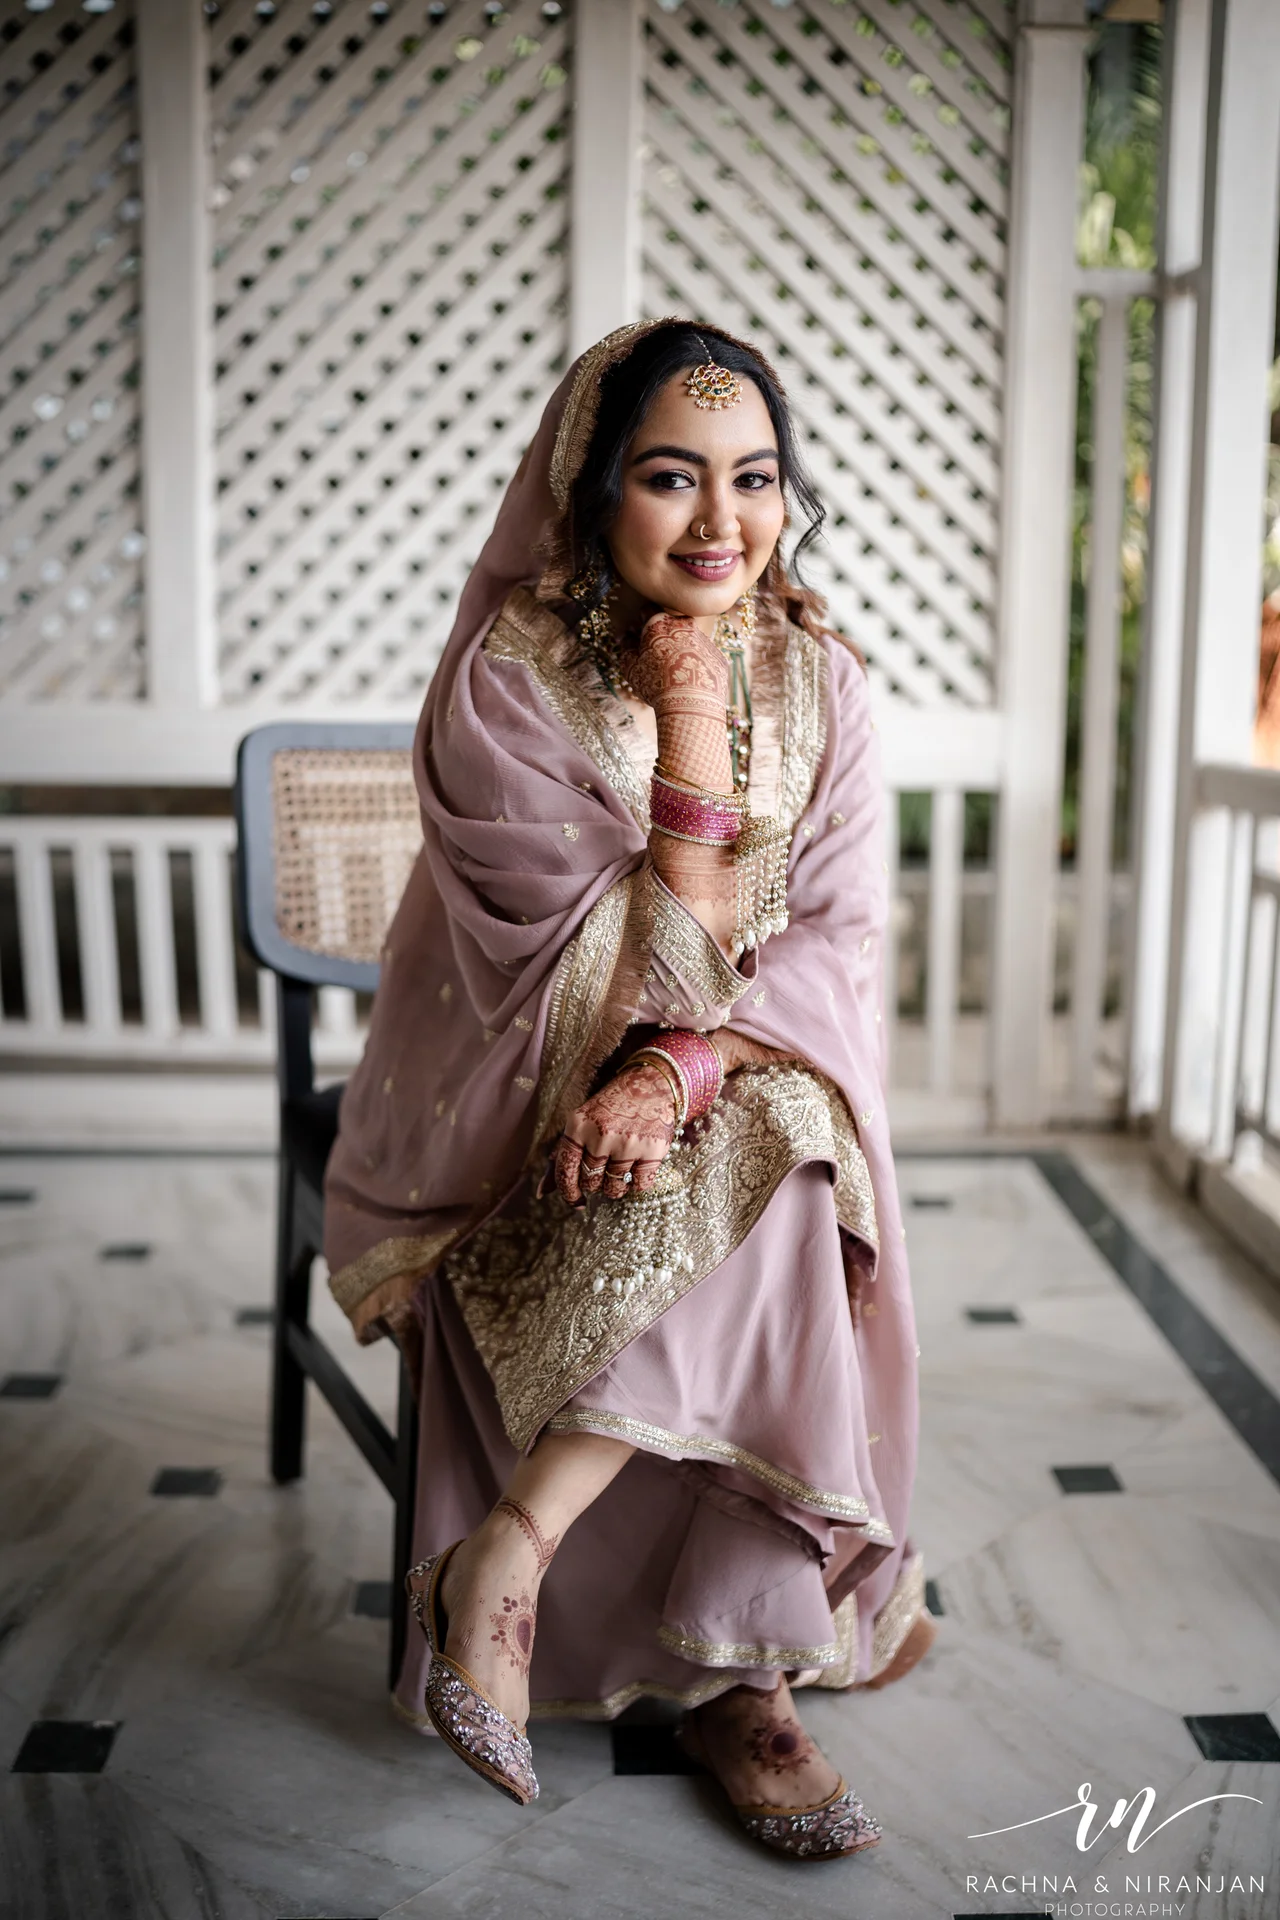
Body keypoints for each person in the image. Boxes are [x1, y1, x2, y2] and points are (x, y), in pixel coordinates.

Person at [324, 319, 930, 1862]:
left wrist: (686, 1063)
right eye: (671, 478)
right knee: (772, 1157)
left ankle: (520, 1554)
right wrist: (690, 731)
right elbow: (598, 988)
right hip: (523, 1120)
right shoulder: (505, 689)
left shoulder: (831, 684)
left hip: (710, 1097)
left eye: (757, 480)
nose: (724, 523)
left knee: (786, 1126)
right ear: (590, 495)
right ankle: (743, 1667)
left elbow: (837, 952)